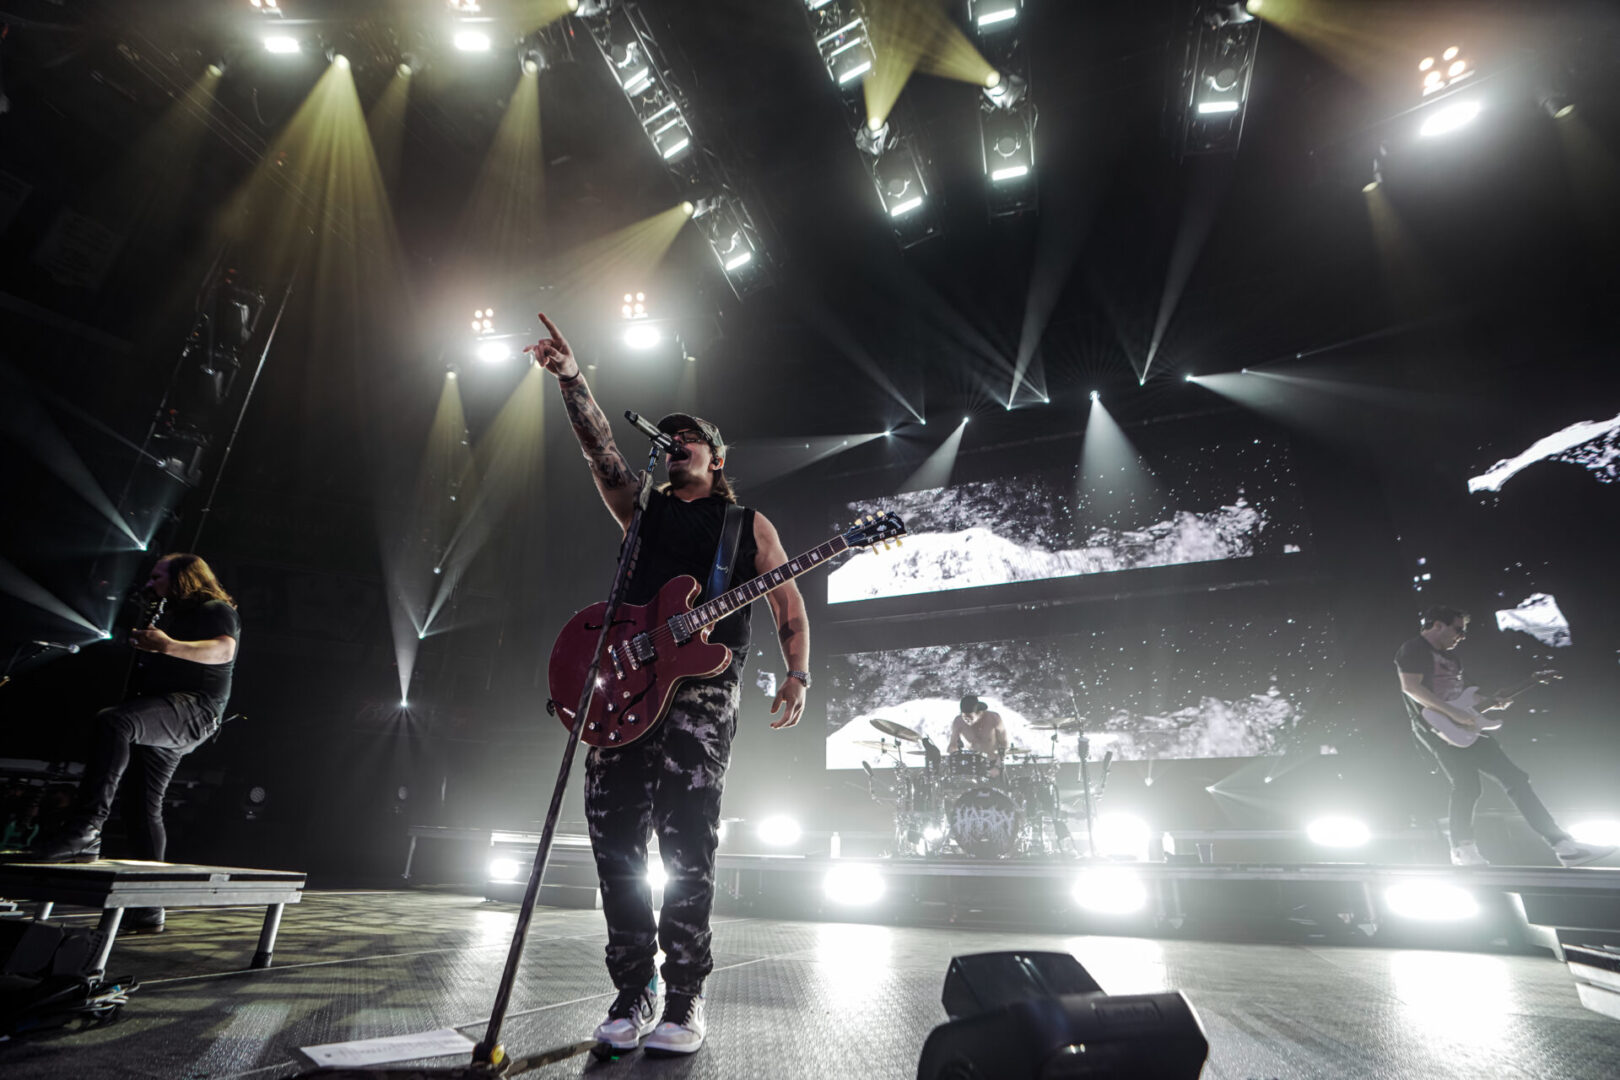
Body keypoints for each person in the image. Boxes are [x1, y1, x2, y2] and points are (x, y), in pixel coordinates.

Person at [527, 312, 810, 1057]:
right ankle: (633, 987)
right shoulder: (643, 510)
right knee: (614, 839)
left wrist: (797, 673)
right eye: (670, 434)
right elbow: (601, 453)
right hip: (622, 685)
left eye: (691, 437)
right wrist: (572, 379)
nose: (676, 440)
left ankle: (685, 998)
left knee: (688, 840)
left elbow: (786, 597)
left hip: (702, 694)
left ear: (716, 458)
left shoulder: (746, 526)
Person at [36, 554, 240, 928]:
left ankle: (87, 829)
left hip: (195, 709)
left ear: (183, 578)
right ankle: (148, 908)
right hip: (166, 715)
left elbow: (224, 650)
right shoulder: (170, 616)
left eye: (157, 576)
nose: (150, 584)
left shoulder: (215, 608)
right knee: (141, 808)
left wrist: (166, 646)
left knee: (114, 723)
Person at [1396, 604, 1612, 868]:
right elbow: (1411, 688)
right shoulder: (1413, 648)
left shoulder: (1453, 659)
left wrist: (1488, 701)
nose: (1462, 635)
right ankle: (1462, 850)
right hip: (1438, 730)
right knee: (1468, 786)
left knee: (1514, 778)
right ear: (1437, 625)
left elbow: (1465, 693)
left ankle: (1564, 847)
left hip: (1465, 725)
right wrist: (1454, 713)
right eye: (1457, 629)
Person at [947, 694, 1008, 775]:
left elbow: (1004, 744)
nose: (967, 721)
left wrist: (997, 766)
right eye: (965, 717)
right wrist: (952, 760)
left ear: (979, 713)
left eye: (970, 717)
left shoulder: (994, 718)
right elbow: (952, 746)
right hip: (970, 764)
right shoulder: (958, 721)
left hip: (993, 763)